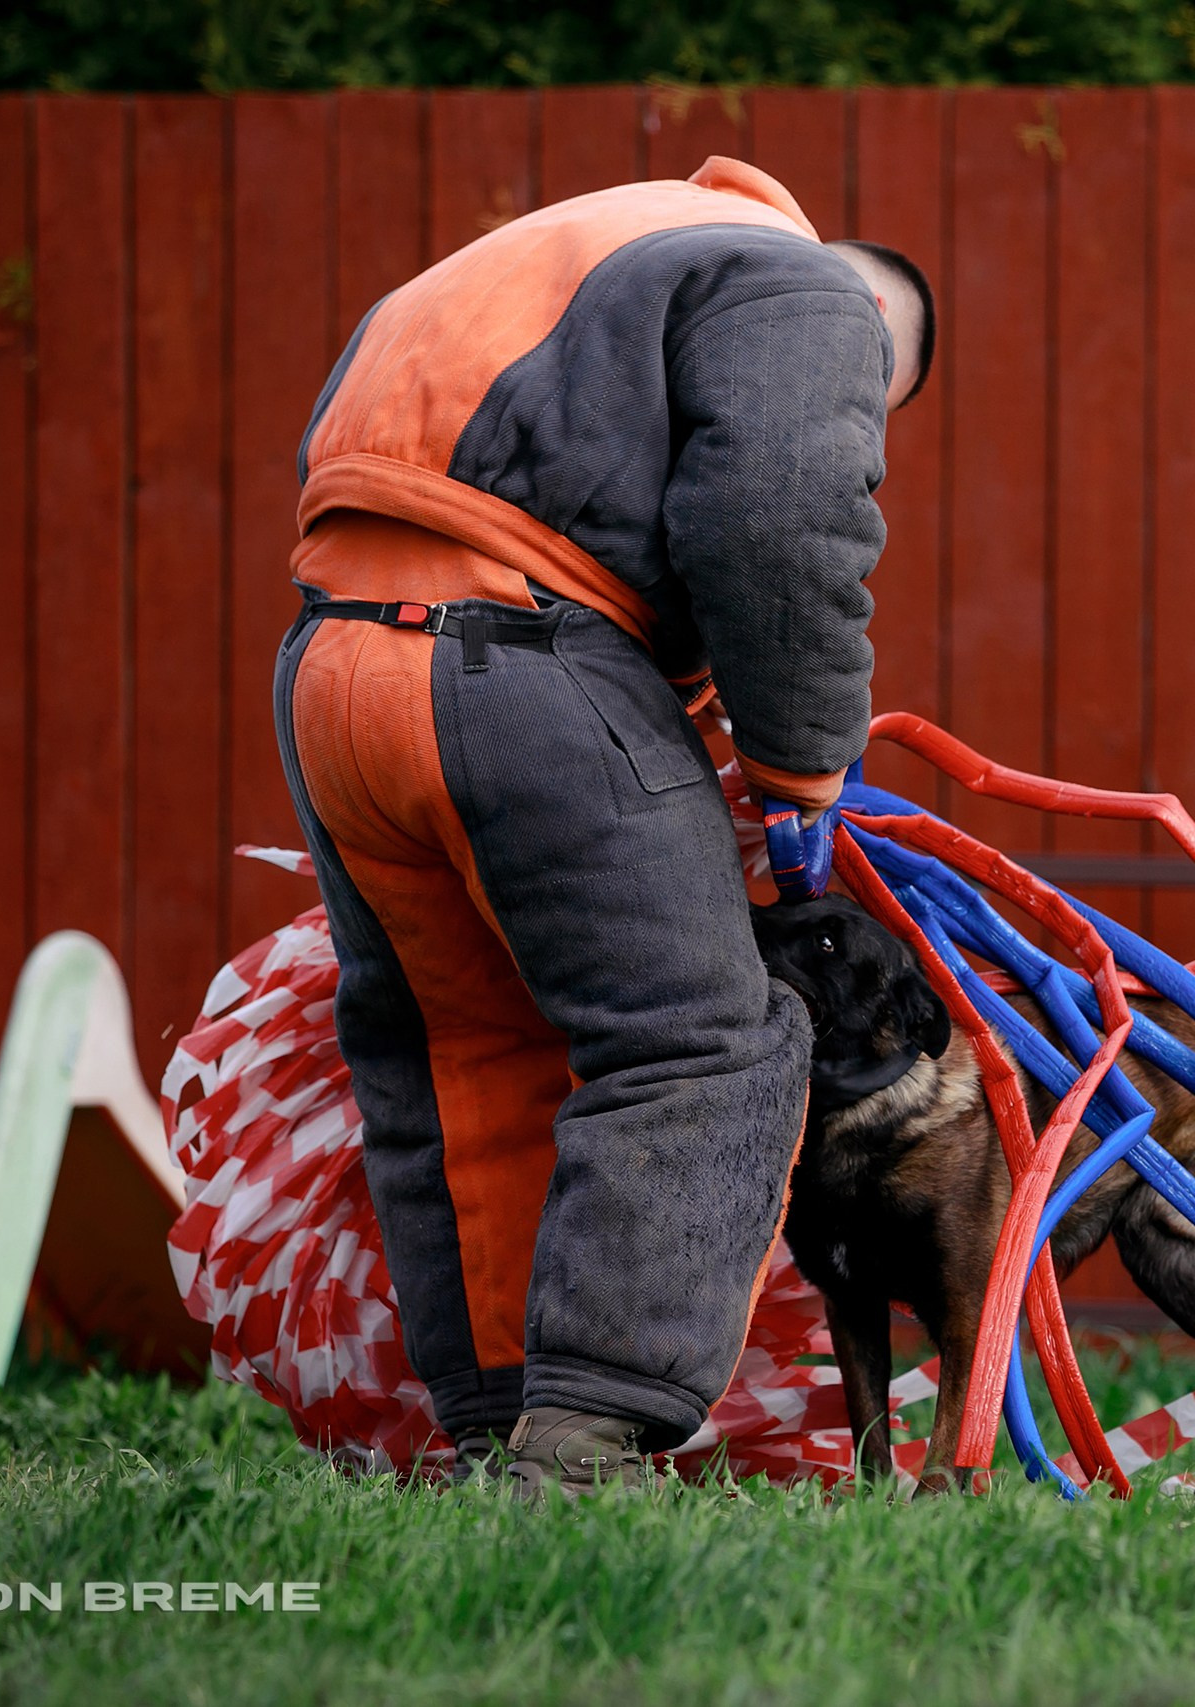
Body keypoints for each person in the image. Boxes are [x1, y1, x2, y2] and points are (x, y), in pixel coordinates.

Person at [273, 156, 933, 1499]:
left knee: (462, 1054)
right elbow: (782, 513)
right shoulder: (803, 286)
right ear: (876, 327)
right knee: (702, 1038)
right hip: (521, 664)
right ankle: (587, 1449)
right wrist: (803, 775)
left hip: (334, 668)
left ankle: (496, 1432)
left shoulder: (567, 249)